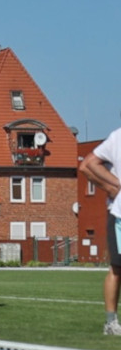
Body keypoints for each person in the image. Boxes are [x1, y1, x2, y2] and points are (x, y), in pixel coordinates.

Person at [78, 127, 121, 335]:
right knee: (117, 268)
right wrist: (114, 186)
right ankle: (111, 323)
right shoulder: (117, 137)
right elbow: (87, 165)